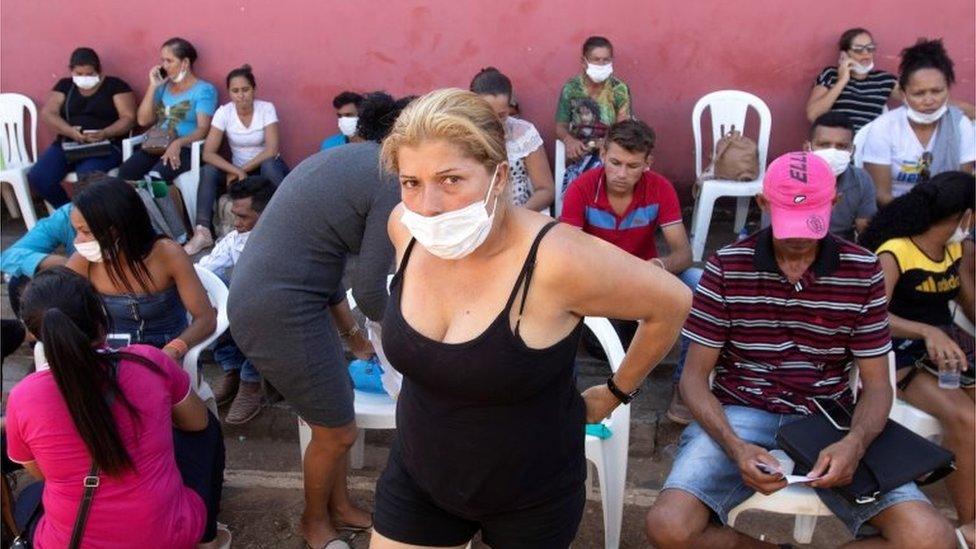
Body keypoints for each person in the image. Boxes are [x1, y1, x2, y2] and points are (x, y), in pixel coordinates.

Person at [367, 88, 689, 548]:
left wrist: (617, 391)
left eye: (451, 179)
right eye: (411, 181)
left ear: (499, 177)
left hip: (531, 497)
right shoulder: (407, 228)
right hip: (419, 479)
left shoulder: (558, 259)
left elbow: (671, 302)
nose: (428, 206)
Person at [645, 151, 956, 549]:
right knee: (668, 526)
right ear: (763, 203)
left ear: (834, 204)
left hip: (828, 417)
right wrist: (735, 447)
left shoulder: (862, 271)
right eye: (787, 221)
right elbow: (693, 378)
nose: (798, 238)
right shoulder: (726, 267)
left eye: (810, 222)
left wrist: (854, 443)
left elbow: (878, 386)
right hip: (738, 411)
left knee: (932, 538)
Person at [229, 92, 406, 549]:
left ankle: (340, 507)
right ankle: (314, 522)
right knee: (338, 429)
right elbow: (369, 291)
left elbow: (317, 259)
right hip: (278, 310)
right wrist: (407, 341)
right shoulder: (388, 177)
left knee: (334, 413)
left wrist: (351, 335)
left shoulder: (340, 159)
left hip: (274, 297)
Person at [6, 268, 228, 548]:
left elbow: (43, 474)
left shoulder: (23, 397)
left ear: (38, 334)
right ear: (100, 317)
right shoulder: (148, 363)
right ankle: (208, 535)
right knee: (206, 431)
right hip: (167, 535)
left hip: (71, 541)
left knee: (30, 498)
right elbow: (197, 424)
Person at [559, 119, 702, 424]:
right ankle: (561, 391)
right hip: (594, 288)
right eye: (615, 162)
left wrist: (659, 266)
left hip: (645, 285)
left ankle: (685, 388)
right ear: (602, 156)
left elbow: (683, 253)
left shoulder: (660, 188)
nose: (622, 174)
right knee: (551, 289)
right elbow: (564, 253)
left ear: (648, 163)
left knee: (698, 284)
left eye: (633, 166)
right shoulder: (581, 188)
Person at [860, 171, 975, 546]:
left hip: (944, 351)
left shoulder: (952, 250)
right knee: (966, 418)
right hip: (900, 354)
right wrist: (927, 331)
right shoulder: (896, 251)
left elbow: (964, 298)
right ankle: (970, 525)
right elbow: (872, 316)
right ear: (965, 217)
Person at [65, 176, 216, 358]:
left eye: (86, 232)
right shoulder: (83, 261)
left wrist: (174, 350)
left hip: (169, 352)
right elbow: (56, 306)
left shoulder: (167, 254)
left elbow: (206, 319)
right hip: (116, 355)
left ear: (117, 228)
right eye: (77, 231)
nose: (78, 240)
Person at [187, 65, 289, 255]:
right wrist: (236, 171)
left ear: (254, 89)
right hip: (237, 171)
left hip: (263, 169)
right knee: (208, 170)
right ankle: (202, 231)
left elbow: (272, 149)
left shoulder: (266, 109)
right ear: (229, 93)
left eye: (245, 89)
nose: (241, 95)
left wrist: (241, 170)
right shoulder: (224, 113)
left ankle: (288, 220)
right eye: (235, 91)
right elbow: (208, 153)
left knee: (270, 165)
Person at [198, 176, 275, 425]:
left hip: (278, 312)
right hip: (246, 308)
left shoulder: (287, 239)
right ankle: (232, 369)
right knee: (214, 293)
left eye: (243, 217)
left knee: (257, 305)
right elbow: (204, 270)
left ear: (266, 213)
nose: (236, 223)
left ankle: (251, 381)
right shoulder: (235, 238)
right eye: (234, 215)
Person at [863, 39, 976, 206]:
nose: (929, 100)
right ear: (903, 94)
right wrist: (919, 215)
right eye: (919, 93)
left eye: (937, 91)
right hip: (895, 212)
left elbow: (961, 187)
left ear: (947, 90)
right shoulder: (884, 127)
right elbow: (880, 195)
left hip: (946, 215)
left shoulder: (960, 126)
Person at [27, 47, 136, 208]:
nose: (84, 78)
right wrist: (70, 131)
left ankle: (89, 218)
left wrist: (105, 133)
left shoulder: (115, 85)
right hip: (69, 142)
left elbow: (129, 118)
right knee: (39, 177)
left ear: (98, 70)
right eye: (79, 74)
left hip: (105, 145)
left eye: (89, 74)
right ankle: (69, 213)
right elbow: (48, 113)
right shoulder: (65, 86)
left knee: (87, 177)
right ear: (72, 71)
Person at [118, 37, 217, 185]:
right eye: (162, 61)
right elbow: (143, 120)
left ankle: (157, 208)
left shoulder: (204, 90)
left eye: (169, 61)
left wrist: (178, 143)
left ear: (185, 63)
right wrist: (153, 86)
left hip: (185, 148)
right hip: (156, 145)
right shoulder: (163, 86)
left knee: (155, 180)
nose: (164, 66)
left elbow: (203, 129)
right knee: (125, 173)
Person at [470, 67, 554, 211]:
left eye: (502, 115)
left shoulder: (524, 134)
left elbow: (546, 191)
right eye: (487, 113)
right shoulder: (462, 136)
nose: (495, 121)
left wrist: (515, 217)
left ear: (510, 108)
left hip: (522, 216)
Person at [555, 36, 632, 192]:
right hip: (579, 154)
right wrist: (569, 141)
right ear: (584, 61)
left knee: (600, 172)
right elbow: (560, 126)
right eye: (596, 60)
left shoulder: (619, 89)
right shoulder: (571, 89)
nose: (602, 64)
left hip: (612, 151)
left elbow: (623, 130)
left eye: (606, 60)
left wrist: (600, 145)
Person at [805, 28, 899, 132]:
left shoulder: (884, 80)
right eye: (858, 49)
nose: (866, 54)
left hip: (868, 144)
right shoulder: (830, 75)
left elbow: (914, 97)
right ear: (844, 54)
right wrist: (842, 80)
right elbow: (813, 115)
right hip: (838, 142)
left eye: (870, 48)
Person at [807, 112, 877, 242]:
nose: (832, 152)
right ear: (808, 148)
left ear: (852, 151)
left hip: (842, 250)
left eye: (841, 146)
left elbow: (866, 231)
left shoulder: (861, 180)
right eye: (824, 145)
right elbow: (773, 232)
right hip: (794, 249)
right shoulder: (784, 179)